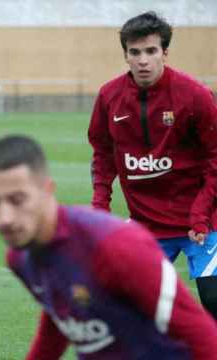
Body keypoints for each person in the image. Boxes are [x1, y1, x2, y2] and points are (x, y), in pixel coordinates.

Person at [0, 134, 217, 359]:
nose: (4, 218)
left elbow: (203, 338)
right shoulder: (20, 258)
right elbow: (61, 315)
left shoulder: (116, 247)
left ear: (47, 190)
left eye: (17, 199)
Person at [88, 11, 217, 320]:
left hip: (202, 222)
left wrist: (200, 214)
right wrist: (100, 208)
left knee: (214, 301)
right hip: (147, 223)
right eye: (135, 52)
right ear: (126, 56)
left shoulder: (195, 95)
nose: (143, 60)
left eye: (151, 51)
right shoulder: (109, 97)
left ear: (165, 53)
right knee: (124, 305)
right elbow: (103, 155)